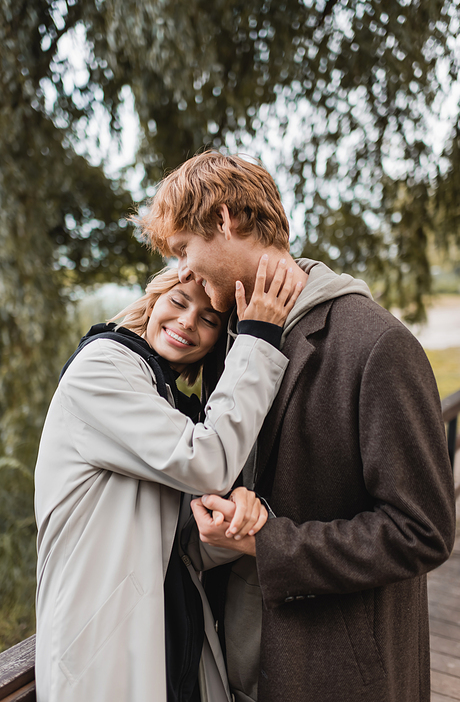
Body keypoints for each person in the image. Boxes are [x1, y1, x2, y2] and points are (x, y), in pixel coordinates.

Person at [140, 150, 456, 702]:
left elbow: (422, 532)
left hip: (336, 674)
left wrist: (270, 542)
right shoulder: (233, 340)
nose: (183, 270)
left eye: (184, 249)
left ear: (223, 220)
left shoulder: (378, 346)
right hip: (234, 663)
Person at [34, 263, 302, 702]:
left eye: (209, 319)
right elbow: (207, 460)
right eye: (178, 302)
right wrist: (259, 338)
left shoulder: (166, 401)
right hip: (106, 650)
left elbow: (180, 546)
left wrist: (236, 520)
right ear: (152, 301)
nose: (187, 322)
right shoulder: (102, 368)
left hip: (174, 637)